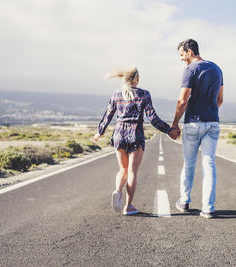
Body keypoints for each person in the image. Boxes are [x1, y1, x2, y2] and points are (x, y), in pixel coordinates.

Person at [93, 65, 178, 215]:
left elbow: (108, 115)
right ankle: (128, 206)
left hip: (119, 134)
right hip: (135, 134)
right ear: (137, 79)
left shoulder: (116, 94)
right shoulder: (144, 94)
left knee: (122, 170)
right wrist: (168, 130)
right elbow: (152, 118)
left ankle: (118, 190)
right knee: (132, 172)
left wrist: (99, 132)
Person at [171, 39, 224, 219]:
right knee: (209, 164)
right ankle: (208, 208)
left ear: (190, 52)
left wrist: (175, 123)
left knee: (189, 163)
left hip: (193, 122)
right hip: (213, 122)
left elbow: (182, 101)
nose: (181, 59)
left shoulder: (190, 70)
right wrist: (210, 112)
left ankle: (184, 202)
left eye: (182, 54)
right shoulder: (217, 69)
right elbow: (220, 99)